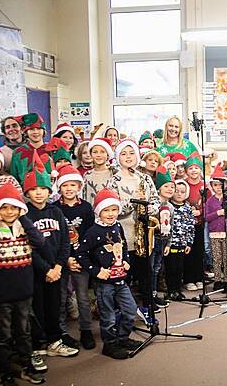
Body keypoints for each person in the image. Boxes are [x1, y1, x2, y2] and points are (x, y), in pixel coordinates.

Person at [0, 182, 45, 385]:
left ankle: (27, 367)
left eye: (14, 207)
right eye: (5, 208)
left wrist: (24, 218)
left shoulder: (25, 229)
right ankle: (5, 372)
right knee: (3, 335)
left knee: (24, 333)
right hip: (2, 295)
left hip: (24, 292)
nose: (9, 211)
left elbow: (40, 242)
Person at [23, 151, 79, 371]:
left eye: (42, 189)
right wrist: (46, 269)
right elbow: (28, 248)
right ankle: (38, 345)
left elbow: (66, 242)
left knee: (55, 306)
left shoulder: (56, 212)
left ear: (49, 191)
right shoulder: (23, 215)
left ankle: (54, 340)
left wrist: (58, 266)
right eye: (34, 190)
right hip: (37, 272)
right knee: (37, 308)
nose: (38, 193)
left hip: (57, 270)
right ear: (27, 192)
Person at [75, 188, 143, 360]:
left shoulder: (118, 226)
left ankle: (122, 338)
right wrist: (96, 271)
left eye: (114, 209)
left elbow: (124, 246)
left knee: (130, 310)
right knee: (108, 316)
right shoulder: (93, 232)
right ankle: (110, 345)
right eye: (106, 210)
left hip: (121, 280)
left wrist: (126, 259)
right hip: (104, 284)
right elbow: (81, 254)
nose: (111, 214)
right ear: (99, 211)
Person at [110, 138, 160, 320]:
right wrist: (134, 202)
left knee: (145, 273)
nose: (128, 157)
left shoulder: (145, 178)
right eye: (123, 153)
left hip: (144, 234)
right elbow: (112, 207)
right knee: (125, 275)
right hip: (123, 235)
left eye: (131, 153)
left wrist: (147, 207)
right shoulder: (113, 180)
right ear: (118, 157)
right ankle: (124, 312)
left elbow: (156, 200)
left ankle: (148, 307)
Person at [53, 164, 96, 350]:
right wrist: (66, 260)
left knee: (83, 297)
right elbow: (55, 239)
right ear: (59, 187)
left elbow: (89, 235)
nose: (69, 189)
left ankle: (86, 330)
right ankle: (61, 332)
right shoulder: (54, 209)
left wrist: (79, 258)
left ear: (79, 186)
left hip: (81, 259)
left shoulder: (86, 208)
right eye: (65, 185)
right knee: (60, 298)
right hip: (61, 261)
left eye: (73, 185)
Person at [184, 152, 213, 280]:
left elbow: (210, 204)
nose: (194, 170)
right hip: (186, 225)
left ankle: (199, 277)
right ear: (186, 171)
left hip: (201, 223)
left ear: (200, 170)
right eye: (190, 168)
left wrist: (200, 212)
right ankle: (189, 279)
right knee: (188, 251)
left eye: (196, 168)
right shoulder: (183, 185)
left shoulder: (204, 186)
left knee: (199, 251)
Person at [150, 166, 175, 308]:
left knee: (158, 267)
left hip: (163, 240)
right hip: (153, 239)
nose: (170, 189)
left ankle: (154, 294)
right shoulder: (154, 204)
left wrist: (168, 244)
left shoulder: (170, 207)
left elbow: (171, 226)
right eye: (166, 186)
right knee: (151, 268)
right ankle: (150, 296)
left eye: (172, 187)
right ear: (158, 188)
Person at [166, 180, 195, 300]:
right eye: (176, 191)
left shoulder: (187, 208)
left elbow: (191, 226)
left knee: (179, 267)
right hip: (170, 243)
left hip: (182, 243)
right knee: (170, 268)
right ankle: (170, 290)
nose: (179, 194)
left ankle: (178, 290)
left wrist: (189, 242)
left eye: (182, 192)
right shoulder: (168, 206)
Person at [11, 113, 49, 184]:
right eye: (31, 129)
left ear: (44, 130)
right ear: (26, 132)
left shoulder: (52, 150)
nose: (35, 132)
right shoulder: (18, 152)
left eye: (38, 129)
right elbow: (14, 178)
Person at [82, 138, 116, 205]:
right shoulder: (87, 175)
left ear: (108, 154)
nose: (98, 155)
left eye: (102, 152)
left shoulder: (113, 174)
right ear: (91, 154)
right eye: (95, 152)